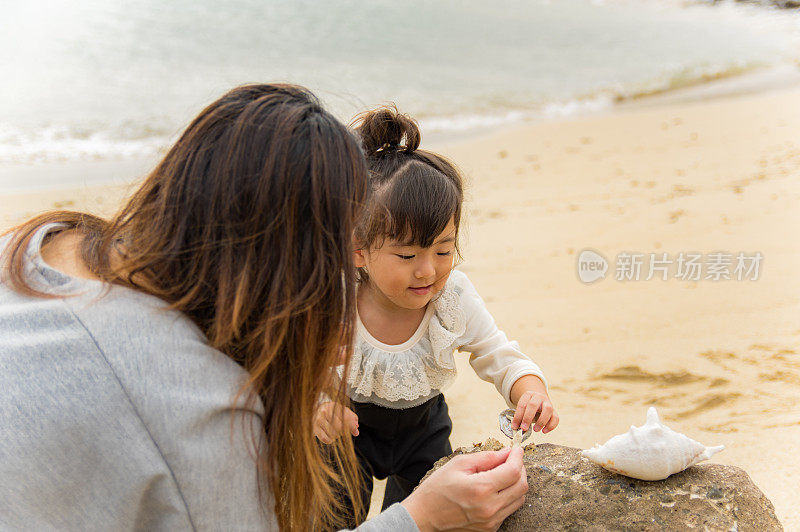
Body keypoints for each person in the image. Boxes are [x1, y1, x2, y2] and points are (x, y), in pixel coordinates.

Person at [0, 84, 528, 531]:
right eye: (337, 257)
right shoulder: (201, 411)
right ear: (287, 261)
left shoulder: (39, 244)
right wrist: (420, 518)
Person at [312, 107, 559, 523]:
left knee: (428, 516)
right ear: (358, 250)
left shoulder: (452, 298)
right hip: (346, 431)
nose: (428, 269)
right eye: (407, 255)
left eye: (443, 250)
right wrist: (317, 402)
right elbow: (298, 364)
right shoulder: (336, 297)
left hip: (423, 430)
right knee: (333, 516)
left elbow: (498, 354)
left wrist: (531, 392)